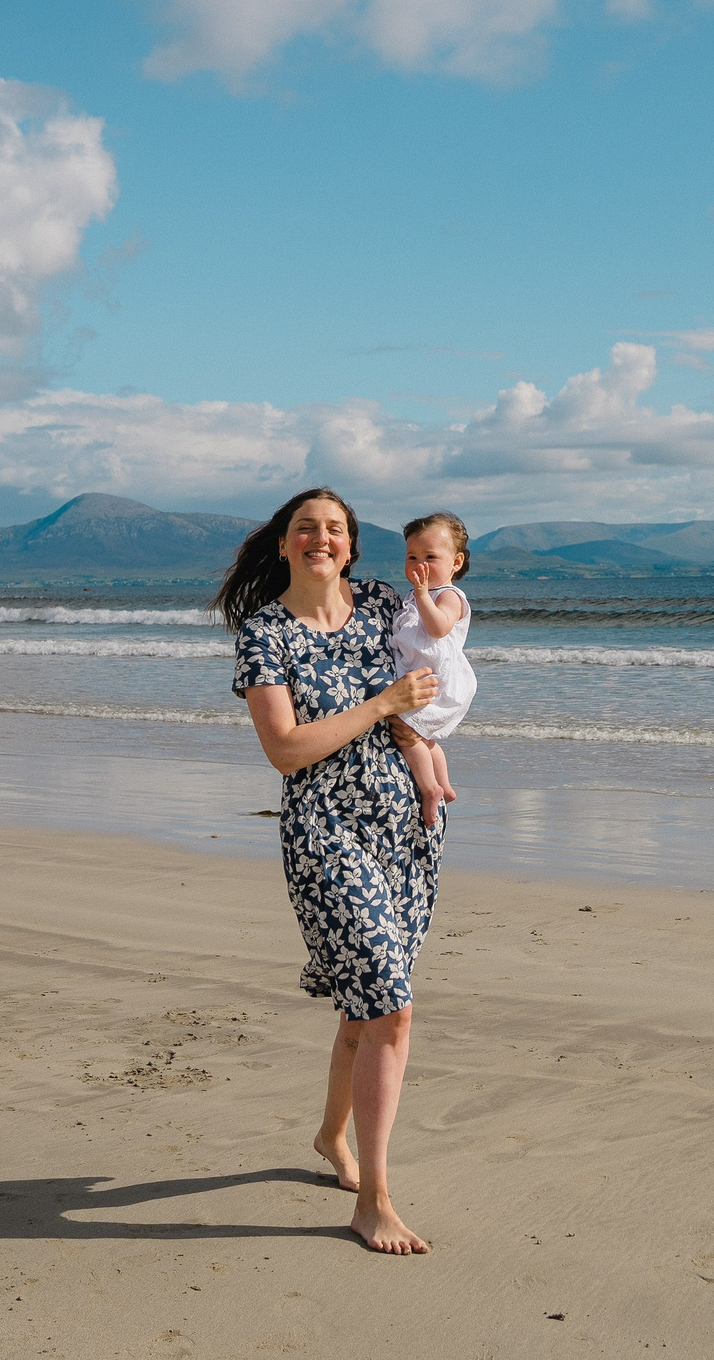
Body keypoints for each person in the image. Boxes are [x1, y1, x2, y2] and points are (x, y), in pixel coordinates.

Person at [216, 487, 440, 1255]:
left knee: (365, 1005)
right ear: (284, 542)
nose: (322, 538)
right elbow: (285, 749)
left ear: (351, 545)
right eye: (306, 527)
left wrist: (425, 750)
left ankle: (329, 1136)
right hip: (324, 836)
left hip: (406, 829)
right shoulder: (266, 633)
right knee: (391, 1005)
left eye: (335, 528)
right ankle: (375, 1199)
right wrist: (382, 706)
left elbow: (440, 657)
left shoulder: (381, 602)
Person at [387, 511, 477, 830]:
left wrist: (424, 597)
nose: (419, 565)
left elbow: (438, 629)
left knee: (406, 731)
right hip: (420, 676)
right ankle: (446, 785)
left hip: (437, 680)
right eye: (412, 556)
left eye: (430, 557)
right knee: (424, 738)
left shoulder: (450, 596)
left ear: (455, 562)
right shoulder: (414, 597)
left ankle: (430, 789)